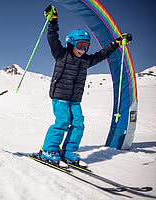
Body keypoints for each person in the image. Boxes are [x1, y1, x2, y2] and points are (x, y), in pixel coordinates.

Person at [41, 5, 132, 164]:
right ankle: (49, 150)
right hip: (60, 96)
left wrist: (116, 44)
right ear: (71, 44)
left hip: (75, 99)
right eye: (80, 45)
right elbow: (52, 38)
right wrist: (53, 21)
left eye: (86, 46)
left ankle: (68, 150)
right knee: (62, 122)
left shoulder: (85, 61)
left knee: (78, 124)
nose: (83, 50)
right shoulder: (61, 54)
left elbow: (102, 54)